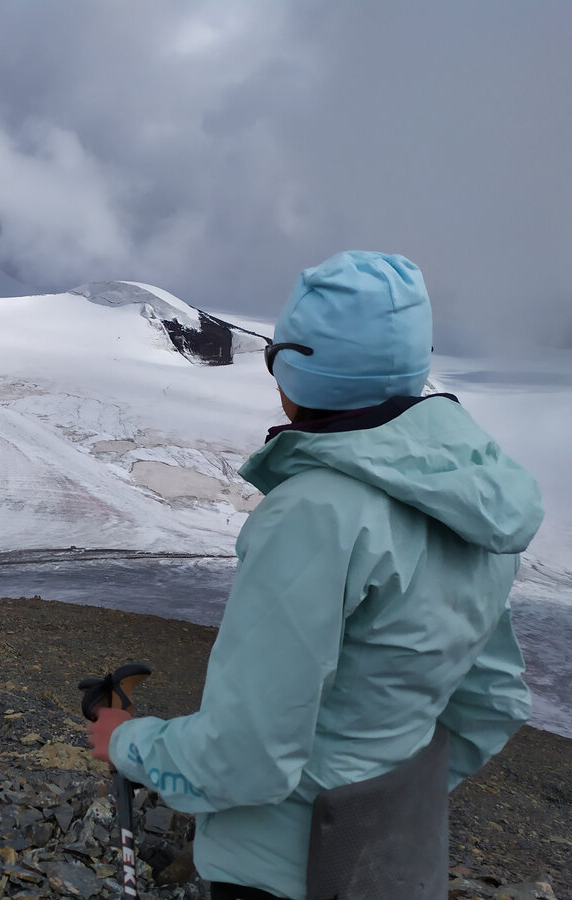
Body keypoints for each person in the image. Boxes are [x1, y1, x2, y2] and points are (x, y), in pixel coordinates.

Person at [87, 250, 543, 900]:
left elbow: (247, 756)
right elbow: (495, 701)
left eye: (279, 356)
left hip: (282, 875)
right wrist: (383, 800)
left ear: (298, 373)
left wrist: (127, 743)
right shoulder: (475, 500)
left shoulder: (313, 513)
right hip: (392, 867)